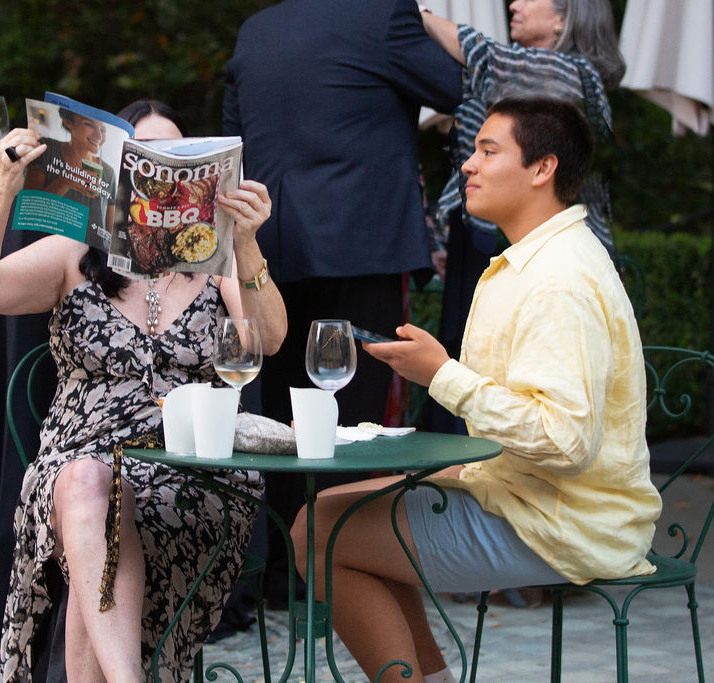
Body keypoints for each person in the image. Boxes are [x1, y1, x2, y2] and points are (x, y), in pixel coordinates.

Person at [292, 97, 662, 683]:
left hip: (567, 522)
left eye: (488, 151)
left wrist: (442, 376)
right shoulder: (538, 258)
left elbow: (566, 441)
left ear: (542, 168)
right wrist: (438, 376)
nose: (468, 164)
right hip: (521, 490)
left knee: (319, 532)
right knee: (332, 512)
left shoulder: (558, 280)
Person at [0, 99, 287, 682]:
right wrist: (5, 187)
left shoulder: (215, 262)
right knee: (91, 485)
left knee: (98, 534)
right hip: (78, 458)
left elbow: (270, 338)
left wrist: (246, 242)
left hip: (191, 465)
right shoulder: (72, 254)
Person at [221, 0, 464, 608]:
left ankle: (283, 571)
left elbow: (232, 138)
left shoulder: (256, 29)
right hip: (361, 241)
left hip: (274, 246)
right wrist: (431, 21)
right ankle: (337, 569)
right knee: (351, 417)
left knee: (282, 418)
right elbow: (454, 87)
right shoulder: (385, 13)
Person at [419, 0, 624, 435]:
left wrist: (414, 14)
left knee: (508, 380)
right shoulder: (511, 77)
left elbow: (485, 53)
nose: (514, 3)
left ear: (565, 16)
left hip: (542, 243)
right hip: (486, 238)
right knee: (471, 365)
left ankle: (470, 465)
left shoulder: (569, 74)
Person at [24, 108, 118, 251]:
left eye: (102, 130)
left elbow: (111, 232)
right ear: (68, 122)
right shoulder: (47, 150)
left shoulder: (108, 172)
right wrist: (65, 182)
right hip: (48, 251)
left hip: (94, 256)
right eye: (89, 124)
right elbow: (30, 211)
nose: (98, 136)